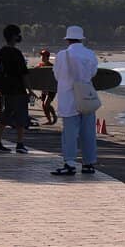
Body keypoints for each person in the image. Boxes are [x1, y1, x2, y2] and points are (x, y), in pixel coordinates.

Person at [51, 25, 99, 175]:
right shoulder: (90, 54)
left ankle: (70, 163)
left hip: (68, 98)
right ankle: (88, 164)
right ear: (81, 38)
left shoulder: (61, 55)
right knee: (88, 132)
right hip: (86, 97)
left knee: (70, 133)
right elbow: (93, 73)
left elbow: (57, 75)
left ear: (68, 39)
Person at [0, 24, 34, 153]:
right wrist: (30, 89)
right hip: (17, 89)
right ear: (14, 36)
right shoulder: (16, 53)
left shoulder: (3, 51)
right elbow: (23, 74)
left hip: (5, 89)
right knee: (21, 116)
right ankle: (20, 144)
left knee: (4, 116)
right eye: (18, 34)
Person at [36, 49, 57, 125]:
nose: (42, 57)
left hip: (51, 88)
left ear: (47, 57)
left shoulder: (52, 66)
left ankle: (54, 116)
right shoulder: (40, 65)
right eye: (41, 56)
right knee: (44, 105)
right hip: (44, 88)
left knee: (46, 104)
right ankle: (49, 120)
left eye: (44, 56)